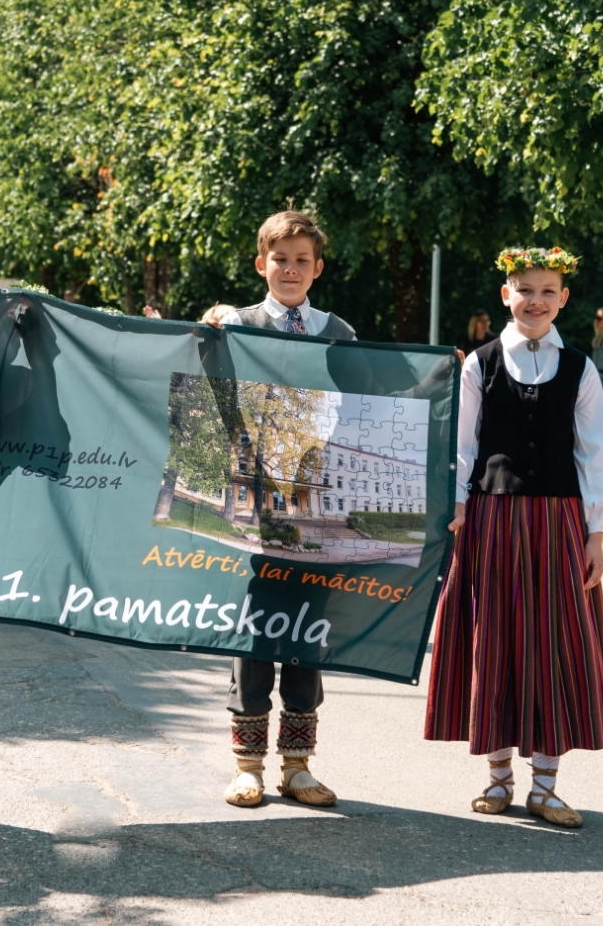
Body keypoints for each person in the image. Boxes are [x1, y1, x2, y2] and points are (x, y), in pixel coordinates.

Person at [424, 246, 603, 829]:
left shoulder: (581, 368)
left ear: (564, 298)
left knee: (554, 642)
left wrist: (595, 532)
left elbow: (594, 452)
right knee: (497, 640)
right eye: (524, 289)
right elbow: (462, 442)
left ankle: (548, 784)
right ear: (506, 294)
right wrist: (457, 503)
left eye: (547, 290)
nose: (535, 300)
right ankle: (498, 776)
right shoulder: (479, 363)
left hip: (558, 521)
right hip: (492, 518)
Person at [200, 210, 350, 810]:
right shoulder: (236, 324)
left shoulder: (337, 332)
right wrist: (207, 333)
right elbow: (205, 389)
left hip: (317, 504)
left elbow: (364, 403)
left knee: (307, 631)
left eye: (302, 260)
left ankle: (298, 764)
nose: (290, 269)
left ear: (317, 268)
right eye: (279, 258)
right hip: (255, 500)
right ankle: (247, 764)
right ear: (261, 263)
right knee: (257, 629)